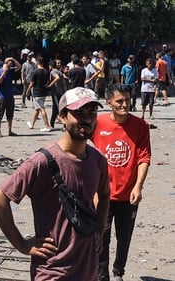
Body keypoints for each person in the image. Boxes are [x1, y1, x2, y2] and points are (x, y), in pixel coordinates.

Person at [0, 87, 110, 280]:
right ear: (62, 117)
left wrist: (99, 230)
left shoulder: (97, 160)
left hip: (88, 269)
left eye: (92, 112)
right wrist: (22, 244)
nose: (86, 119)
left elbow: (104, 195)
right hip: (52, 271)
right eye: (78, 113)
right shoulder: (42, 161)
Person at [91, 84, 151, 281]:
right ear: (109, 102)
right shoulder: (97, 123)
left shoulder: (140, 126)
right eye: (119, 101)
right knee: (102, 237)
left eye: (127, 99)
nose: (125, 104)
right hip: (103, 195)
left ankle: (118, 273)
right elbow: (79, 144)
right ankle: (102, 276)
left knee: (124, 238)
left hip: (128, 195)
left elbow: (144, 158)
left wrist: (138, 186)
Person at [0, 57, 21, 137]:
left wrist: (13, 59)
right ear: (5, 64)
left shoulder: (10, 70)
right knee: (0, 114)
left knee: (10, 114)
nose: (10, 66)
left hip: (10, 96)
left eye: (11, 64)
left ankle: (10, 131)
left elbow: (19, 66)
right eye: (9, 64)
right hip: (2, 96)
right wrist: (3, 74)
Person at [26, 57, 52, 132]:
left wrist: (27, 91)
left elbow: (32, 83)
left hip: (37, 92)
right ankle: (32, 124)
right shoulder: (46, 71)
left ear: (37, 63)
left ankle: (47, 126)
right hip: (44, 92)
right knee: (37, 109)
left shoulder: (35, 72)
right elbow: (48, 81)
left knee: (41, 108)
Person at [47, 60, 67, 129]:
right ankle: (51, 124)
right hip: (60, 92)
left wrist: (50, 85)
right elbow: (63, 83)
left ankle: (65, 124)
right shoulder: (59, 72)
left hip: (56, 92)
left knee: (59, 109)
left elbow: (57, 78)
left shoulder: (53, 72)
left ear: (51, 66)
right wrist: (65, 91)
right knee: (55, 108)